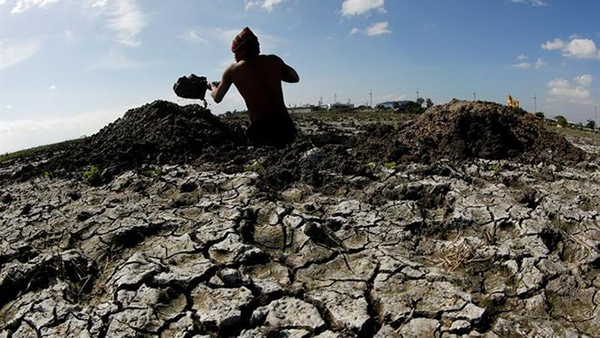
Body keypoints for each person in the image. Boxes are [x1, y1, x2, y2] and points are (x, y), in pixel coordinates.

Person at [210, 27, 299, 148]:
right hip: (285, 126)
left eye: (235, 53)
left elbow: (217, 98)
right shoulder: (274, 61)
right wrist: (273, 74)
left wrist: (212, 87)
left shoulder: (233, 70)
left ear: (241, 51)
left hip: (261, 130)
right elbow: (294, 78)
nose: (234, 57)